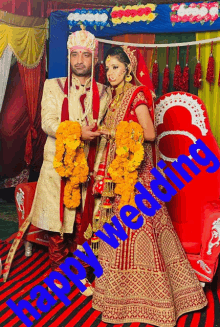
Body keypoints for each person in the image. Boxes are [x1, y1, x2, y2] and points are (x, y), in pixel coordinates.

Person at [92, 46, 207, 326]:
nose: (110, 73)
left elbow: (150, 133)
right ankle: (120, 295)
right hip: (120, 175)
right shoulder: (114, 97)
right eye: (107, 68)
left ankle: (156, 300)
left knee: (142, 234)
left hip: (139, 175)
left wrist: (113, 132)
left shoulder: (137, 93)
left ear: (128, 69)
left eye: (115, 67)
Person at [3, 28, 110, 296]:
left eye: (86, 55)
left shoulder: (104, 91)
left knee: (82, 222)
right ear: (69, 56)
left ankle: (80, 271)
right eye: (75, 55)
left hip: (88, 165)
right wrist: (78, 131)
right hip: (57, 165)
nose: (80, 61)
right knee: (57, 222)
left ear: (94, 58)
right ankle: (59, 272)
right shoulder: (54, 85)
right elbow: (48, 122)